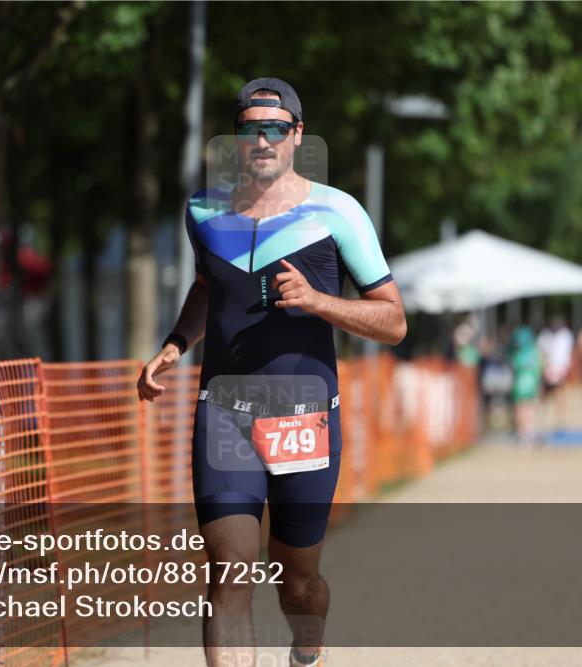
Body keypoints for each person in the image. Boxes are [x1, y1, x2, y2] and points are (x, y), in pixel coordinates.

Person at [136, 78, 406, 667]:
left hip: (304, 417)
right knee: (230, 573)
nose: (262, 139)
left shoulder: (338, 212)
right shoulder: (202, 211)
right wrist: (177, 343)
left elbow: (393, 321)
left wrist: (318, 302)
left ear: (297, 136)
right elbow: (210, 286)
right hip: (224, 414)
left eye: (276, 128)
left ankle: (308, 645)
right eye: (250, 128)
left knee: (296, 581)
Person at [537, 315, 574, 429]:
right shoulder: (545, 335)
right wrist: (544, 368)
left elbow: (567, 353)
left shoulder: (566, 336)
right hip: (548, 369)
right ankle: (543, 416)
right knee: (545, 393)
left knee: (560, 393)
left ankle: (560, 419)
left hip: (560, 369)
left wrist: (566, 368)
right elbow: (541, 353)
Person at [507, 326, 542, 444]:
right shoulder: (532, 351)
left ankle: (525, 431)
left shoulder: (518, 353)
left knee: (523, 408)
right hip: (527, 384)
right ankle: (525, 432)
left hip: (524, 384)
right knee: (525, 408)